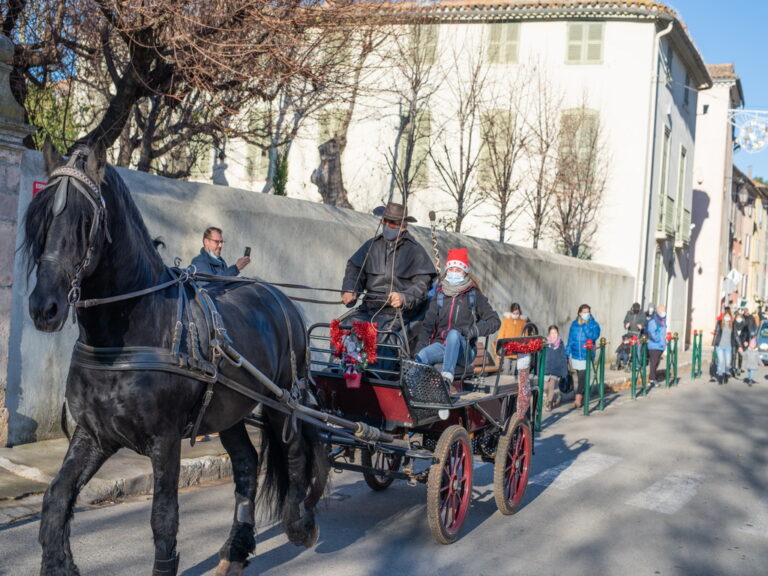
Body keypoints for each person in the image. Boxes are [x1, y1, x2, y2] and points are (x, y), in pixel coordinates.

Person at [341, 202, 437, 335]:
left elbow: (422, 285)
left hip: (397, 313)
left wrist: (404, 297)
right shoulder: (372, 246)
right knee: (342, 329)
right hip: (368, 309)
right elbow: (355, 268)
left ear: (403, 226)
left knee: (377, 336)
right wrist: (350, 289)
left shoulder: (415, 251)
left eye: (392, 223)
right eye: (385, 221)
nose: (387, 226)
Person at [415, 248, 500, 386]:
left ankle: (447, 379)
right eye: (451, 269)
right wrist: (420, 349)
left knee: (454, 334)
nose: (454, 273)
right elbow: (427, 326)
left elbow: (494, 321)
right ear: (447, 270)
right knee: (422, 355)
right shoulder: (440, 294)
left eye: (458, 270)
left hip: (464, 350)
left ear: (465, 272)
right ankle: (411, 388)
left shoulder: (473, 295)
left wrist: (473, 331)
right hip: (442, 346)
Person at [566, 304, 601, 408]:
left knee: (582, 377)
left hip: (587, 355)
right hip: (576, 355)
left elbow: (594, 336)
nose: (586, 314)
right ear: (579, 313)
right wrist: (567, 353)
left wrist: (585, 325)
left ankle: (578, 398)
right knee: (580, 377)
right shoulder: (574, 324)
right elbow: (570, 339)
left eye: (588, 312)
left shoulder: (593, 324)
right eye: (584, 312)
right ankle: (584, 396)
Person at [497, 303, 528, 375]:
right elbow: (501, 335)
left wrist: (524, 349)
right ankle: (505, 385)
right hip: (506, 349)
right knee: (506, 370)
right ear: (511, 311)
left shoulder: (523, 322)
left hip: (517, 350)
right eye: (514, 311)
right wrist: (498, 350)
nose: (516, 312)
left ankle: (513, 385)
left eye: (517, 311)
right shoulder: (506, 321)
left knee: (515, 372)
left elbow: (525, 337)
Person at [543, 325, 568, 411]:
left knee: (552, 386)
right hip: (546, 368)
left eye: (555, 333)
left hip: (556, 369)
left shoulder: (560, 344)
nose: (553, 335)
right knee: (545, 387)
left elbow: (563, 358)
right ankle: (545, 398)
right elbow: (541, 357)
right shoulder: (545, 344)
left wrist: (564, 372)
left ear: (558, 333)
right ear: (549, 334)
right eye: (552, 333)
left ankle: (549, 403)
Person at [713, 311, 739, 384]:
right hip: (720, 346)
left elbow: (736, 336)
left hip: (728, 347)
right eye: (726, 316)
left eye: (728, 316)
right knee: (721, 361)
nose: (727, 317)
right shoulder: (719, 323)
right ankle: (720, 377)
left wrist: (740, 345)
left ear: (730, 317)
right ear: (724, 316)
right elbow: (716, 333)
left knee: (728, 363)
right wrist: (714, 343)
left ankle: (726, 373)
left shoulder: (732, 325)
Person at [646, 304, 667, 388]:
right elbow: (651, 332)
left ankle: (652, 378)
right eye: (664, 310)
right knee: (654, 363)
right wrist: (658, 340)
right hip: (654, 345)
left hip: (660, 345)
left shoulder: (662, 320)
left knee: (657, 362)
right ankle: (652, 379)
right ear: (659, 311)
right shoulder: (654, 320)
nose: (665, 312)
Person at [732, 310, 751, 377]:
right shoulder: (733, 324)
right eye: (737, 317)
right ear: (735, 318)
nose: (738, 319)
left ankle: (739, 369)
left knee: (740, 357)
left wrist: (747, 341)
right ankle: (733, 369)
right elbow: (733, 334)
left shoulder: (745, 325)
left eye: (740, 317)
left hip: (742, 343)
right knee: (733, 356)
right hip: (734, 342)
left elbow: (747, 334)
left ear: (742, 318)